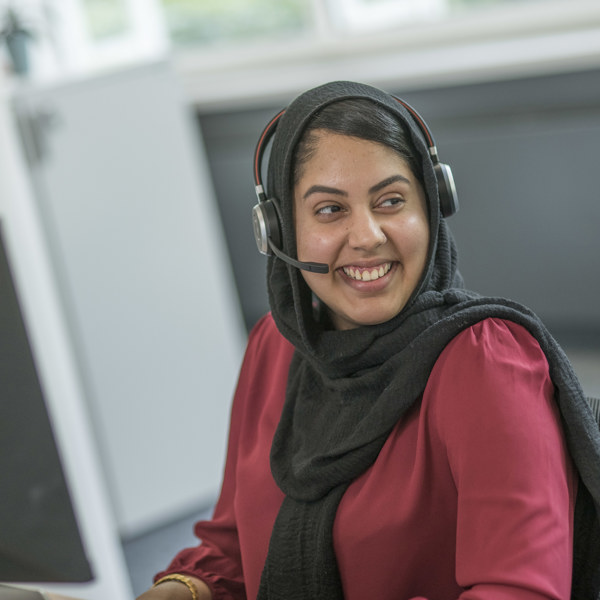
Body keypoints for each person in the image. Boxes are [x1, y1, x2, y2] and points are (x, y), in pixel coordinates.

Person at [137, 81, 600, 600]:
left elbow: (521, 591)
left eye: (391, 201)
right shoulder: (276, 347)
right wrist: (180, 590)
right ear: (279, 230)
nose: (367, 236)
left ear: (432, 206)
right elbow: (232, 548)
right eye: (330, 210)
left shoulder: (485, 360)